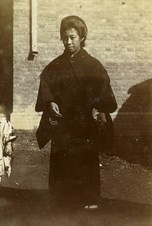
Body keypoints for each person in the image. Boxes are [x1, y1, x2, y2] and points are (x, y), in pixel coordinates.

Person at [35, 15, 117, 209]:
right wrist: (50, 102)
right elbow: (46, 84)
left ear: (81, 37)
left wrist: (99, 109)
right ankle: (61, 199)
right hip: (63, 122)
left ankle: (89, 199)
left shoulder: (93, 65)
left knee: (85, 160)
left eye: (72, 37)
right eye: (65, 38)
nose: (68, 42)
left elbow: (103, 91)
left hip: (84, 123)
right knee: (61, 159)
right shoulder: (55, 65)